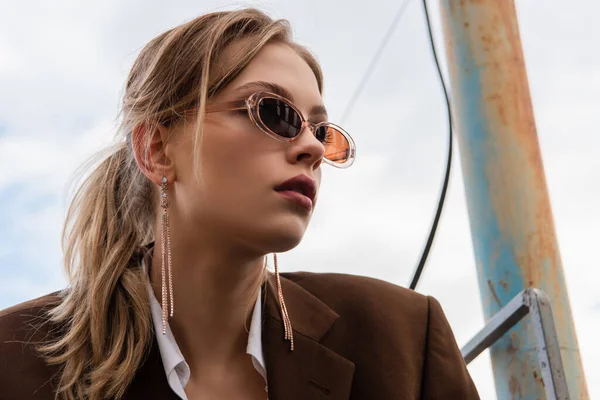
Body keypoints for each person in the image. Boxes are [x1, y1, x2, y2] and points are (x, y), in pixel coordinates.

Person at [0, 8, 479, 400]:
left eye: (321, 131)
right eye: (273, 112)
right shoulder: (14, 362)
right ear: (157, 149)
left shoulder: (402, 340)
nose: (311, 149)